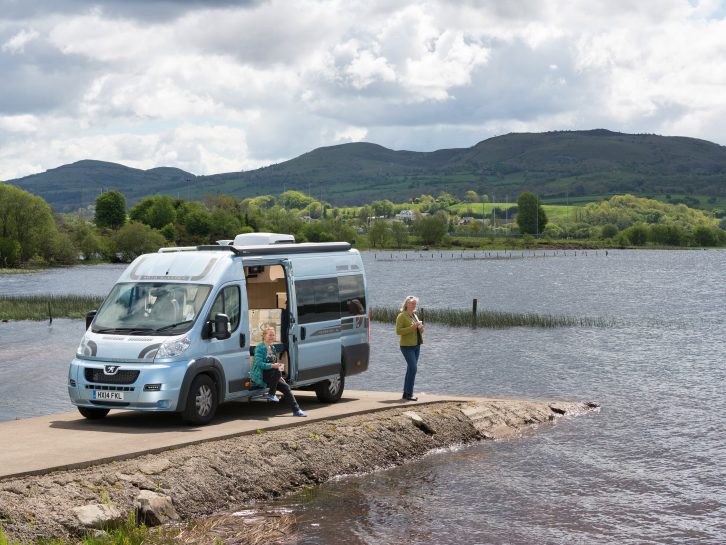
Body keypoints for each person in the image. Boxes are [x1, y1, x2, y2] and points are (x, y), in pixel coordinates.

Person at [251, 326, 307, 417]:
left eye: (273, 335)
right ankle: (271, 394)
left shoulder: (272, 347)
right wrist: (273, 366)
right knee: (277, 370)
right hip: (261, 375)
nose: (271, 337)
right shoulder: (259, 348)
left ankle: (296, 410)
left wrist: (280, 377)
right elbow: (259, 364)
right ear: (264, 336)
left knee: (286, 387)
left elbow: (275, 362)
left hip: (273, 375)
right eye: (270, 335)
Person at [395, 295, 424, 401]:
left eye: (415, 304)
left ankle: (406, 393)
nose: (413, 305)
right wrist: (413, 327)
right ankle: (409, 393)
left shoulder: (414, 315)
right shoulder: (401, 316)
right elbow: (398, 331)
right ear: (406, 304)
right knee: (413, 368)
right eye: (412, 303)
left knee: (410, 369)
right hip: (407, 346)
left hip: (417, 345)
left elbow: (420, 331)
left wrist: (421, 328)